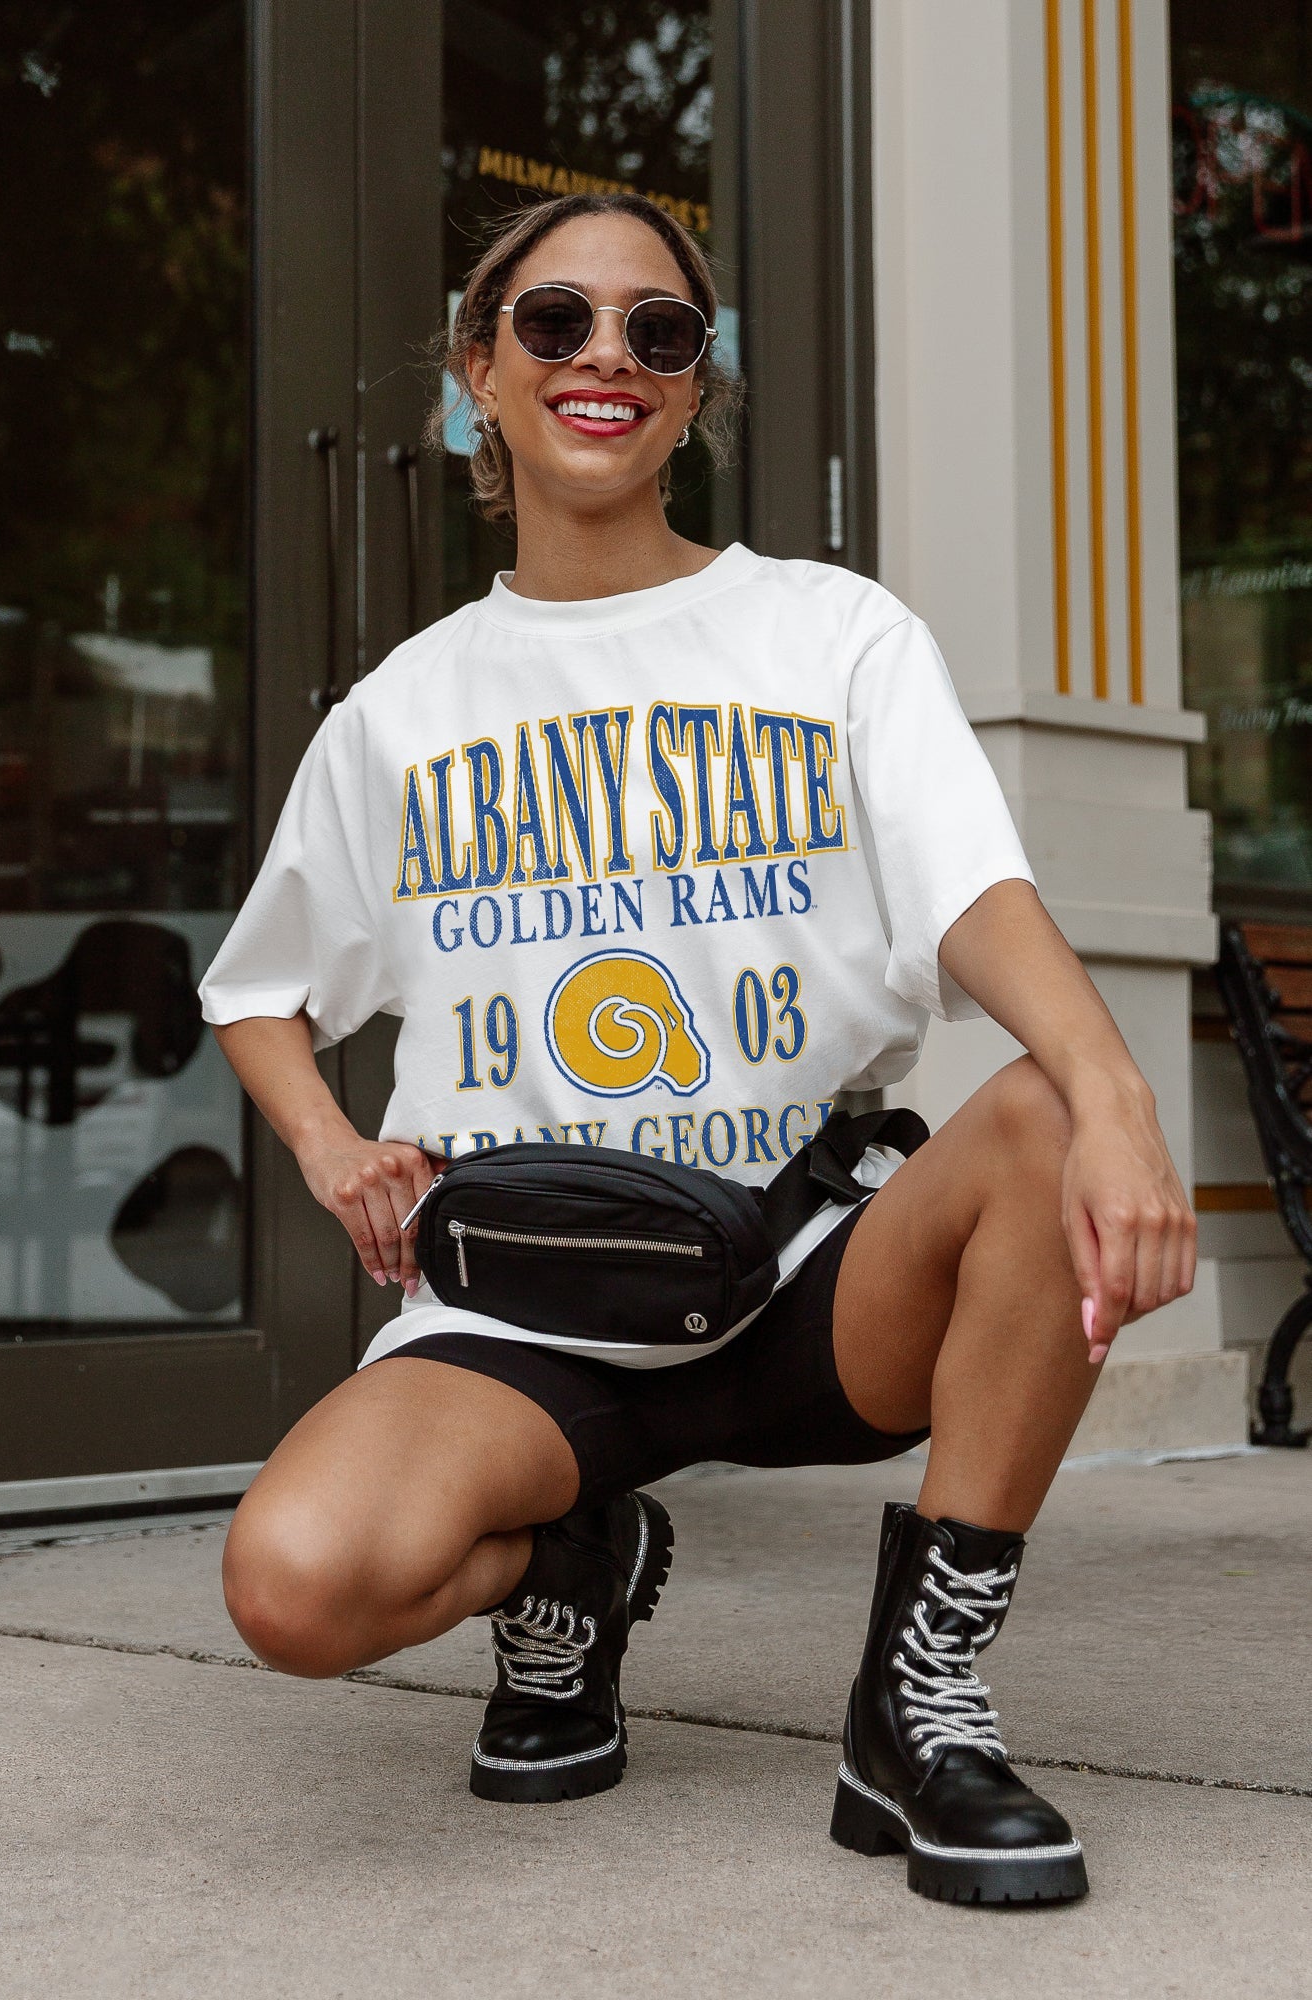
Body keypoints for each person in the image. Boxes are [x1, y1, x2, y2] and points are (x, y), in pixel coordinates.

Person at [201, 191, 1195, 1907]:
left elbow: (972, 892)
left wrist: (1113, 1098)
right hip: (525, 1304)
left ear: (693, 386)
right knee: (294, 1589)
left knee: (1045, 1114)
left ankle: (917, 1704)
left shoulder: (833, 635)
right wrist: (326, 1142)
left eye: (655, 330)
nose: (605, 356)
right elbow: (258, 988)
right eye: (554, 322)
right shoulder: (401, 712)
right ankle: (568, 1563)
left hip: (803, 1271)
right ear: (479, 372)